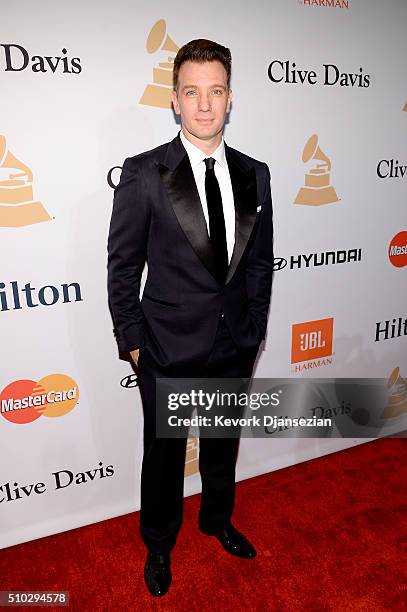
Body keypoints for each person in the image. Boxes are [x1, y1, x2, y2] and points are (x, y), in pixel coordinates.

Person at [107, 38, 274, 597]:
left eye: (216, 91)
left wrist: (253, 332)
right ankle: (159, 544)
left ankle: (217, 519)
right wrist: (133, 342)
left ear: (230, 99)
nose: (205, 105)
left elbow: (259, 266)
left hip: (234, 343)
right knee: (163, 459)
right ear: (175, 101)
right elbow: (123, 266)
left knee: (223, 446)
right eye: (192, 92)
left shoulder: (257, 174)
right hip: (166, 348)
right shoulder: (143, 173)